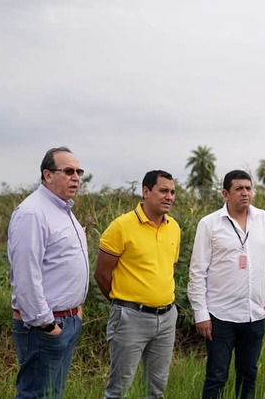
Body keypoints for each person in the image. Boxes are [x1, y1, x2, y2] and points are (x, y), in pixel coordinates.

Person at [187, 169, 265, 399]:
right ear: (225, 193)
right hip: (221, 316)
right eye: (238, 189)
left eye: (248, 188)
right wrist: (201, 314)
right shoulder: (210, 224)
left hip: (254, 315)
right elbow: (198, 271)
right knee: (216, 376)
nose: (245, 193)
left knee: (248, 374)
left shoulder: (264, 219)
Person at [8, 147, 89, 399]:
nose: (75, 177)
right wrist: (47, 324)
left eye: (78, 171)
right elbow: (25, 277)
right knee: (36, 394)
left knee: (53, 393)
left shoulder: (63, 210)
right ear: (47, 174)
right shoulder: (33, 212)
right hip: (44, 327)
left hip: (68, 320)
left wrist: (75, 309)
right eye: (68, 171)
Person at [94, 170, 180, 399]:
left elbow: (168, 269)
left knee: (156, 389)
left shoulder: (174, 227)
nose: (169, 197)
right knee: (118, 390)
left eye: (172, 192)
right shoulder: (121, 226)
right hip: (130, 318)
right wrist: (122, 304)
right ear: (146, 191)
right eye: (163, 191)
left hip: (166, 318)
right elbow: (102, 274)